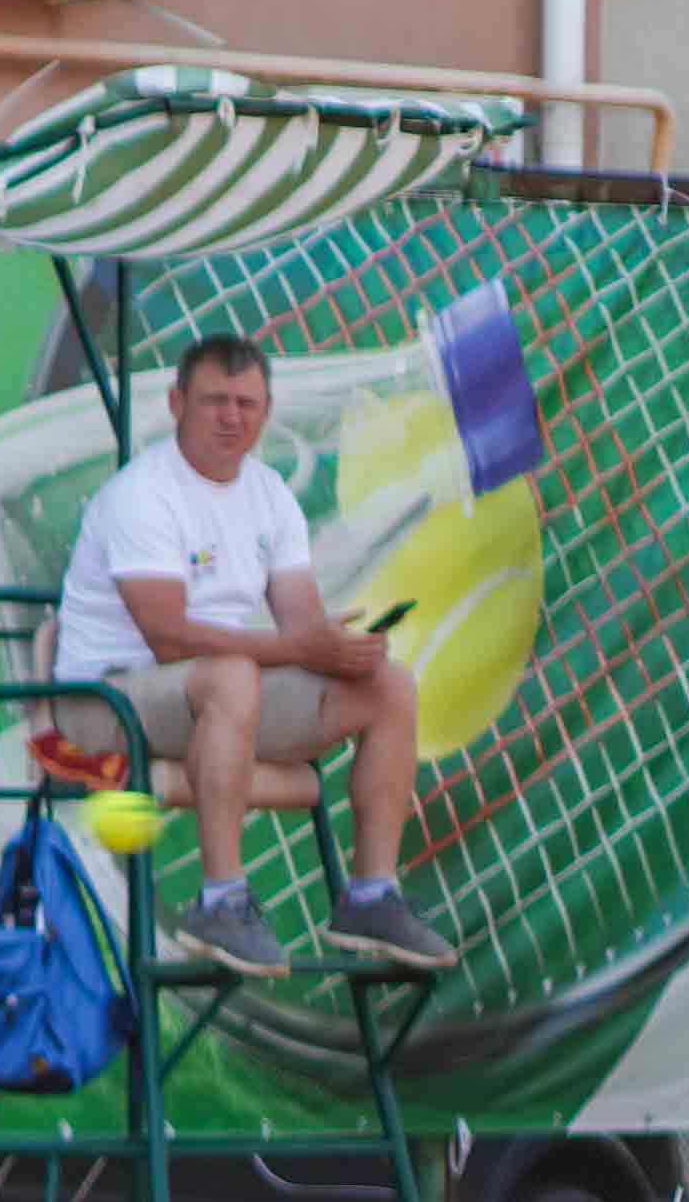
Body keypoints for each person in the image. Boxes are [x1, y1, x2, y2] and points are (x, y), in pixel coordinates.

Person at [48, 327, 454, 985]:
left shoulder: (270, 495)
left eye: (246, 404)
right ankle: (221, 903)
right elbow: (169, 640)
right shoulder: (142, 494)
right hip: (104, 702)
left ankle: (371, 898)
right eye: (215, 401)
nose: (231, 418)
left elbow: (299, 623)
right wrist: (299, 648)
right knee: (233, 678)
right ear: (177, 404)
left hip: (209, 697)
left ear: (266, 412)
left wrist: (337, 651)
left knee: (390, 687)